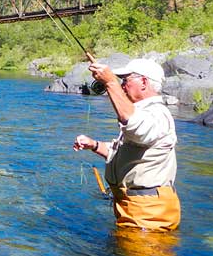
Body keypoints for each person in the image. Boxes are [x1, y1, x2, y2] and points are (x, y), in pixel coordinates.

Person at [73, 58, 180, 231]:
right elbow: (125, 152)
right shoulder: (144, 113)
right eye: (120, 81)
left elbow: (135, 125)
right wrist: (93, 145)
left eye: (126, 80)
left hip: (149, 214)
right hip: (135, 208)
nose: (122, 85)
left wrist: (110, 82)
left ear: (144, 82)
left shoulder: (158, 114)